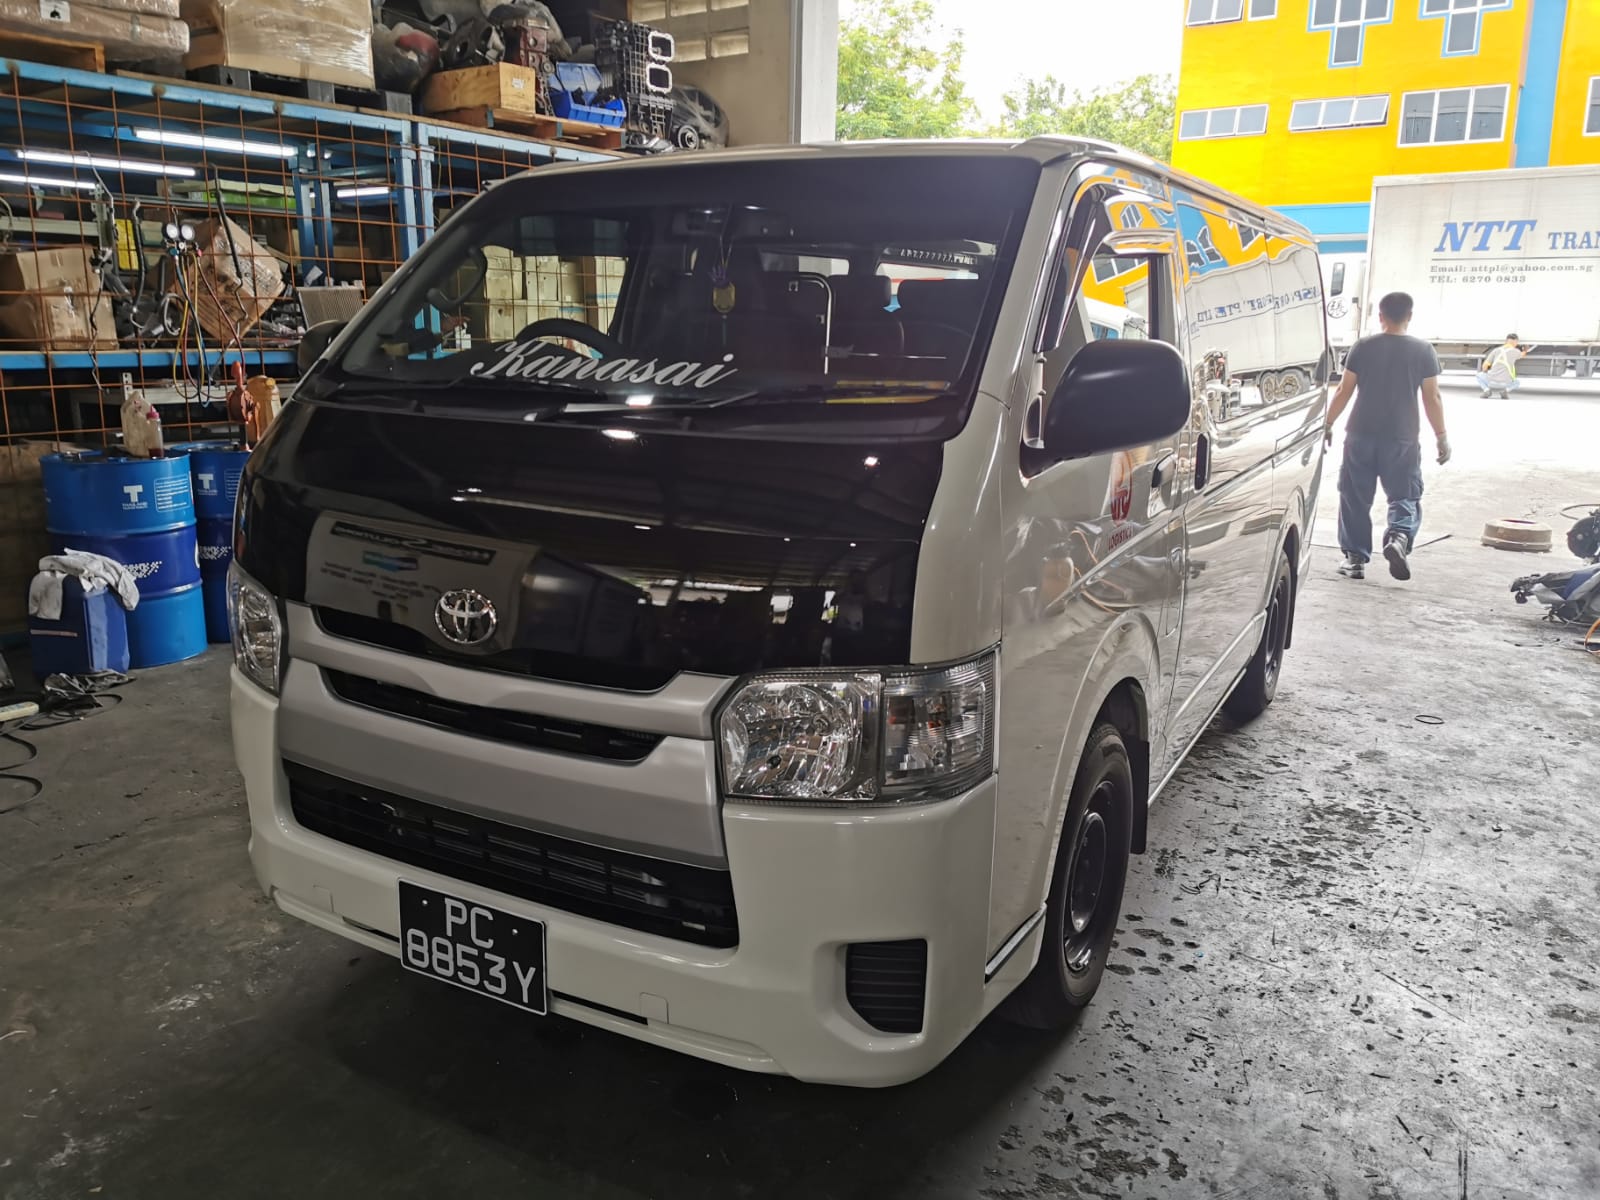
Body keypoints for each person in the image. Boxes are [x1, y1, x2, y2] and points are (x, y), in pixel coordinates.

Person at [1322, 291, 1451, 581]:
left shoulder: (1363, 346)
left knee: (1355, 497)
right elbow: (1432, 397)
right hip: (1402, 436)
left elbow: (1344, 390)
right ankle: (1399, 537)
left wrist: (1328, 423)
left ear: (1380, 316)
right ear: (1410, 316)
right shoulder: (1423, 350)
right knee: (1404, 494)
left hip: (1360, 433)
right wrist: (1441, 436)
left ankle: (1355, 560)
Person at [1476, 334, 1532, 398]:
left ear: (1506, 341)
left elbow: (1485, 366)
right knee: (1517, 382)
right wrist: (1525, 350)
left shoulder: (1496, 350)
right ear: (1516, 341)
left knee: (1479, 375)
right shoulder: (1516, 351)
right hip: (1506, 383)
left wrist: (1486, 373)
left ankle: (1486, 390)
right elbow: (1523, 354)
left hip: (1491, 381)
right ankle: (1505, 391)